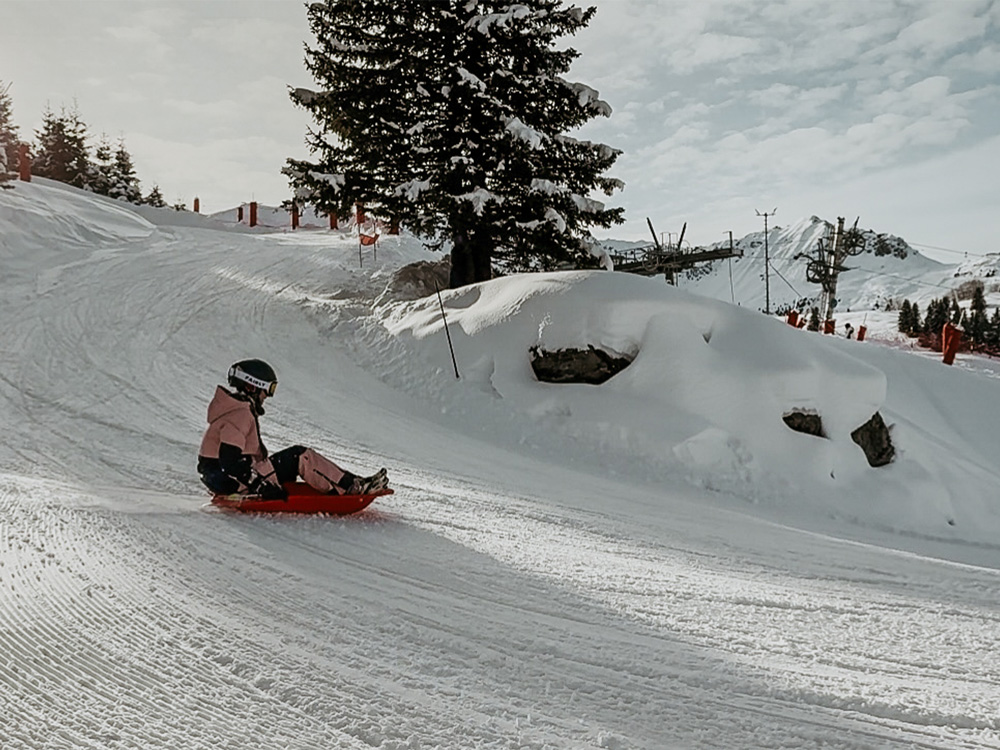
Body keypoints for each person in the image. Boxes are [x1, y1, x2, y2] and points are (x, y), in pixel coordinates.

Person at [197, 359, 388, 498]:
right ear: (252, 387)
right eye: (268, 390)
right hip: (231, 481)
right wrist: (260, 486)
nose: (267, 397)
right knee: (300, 456)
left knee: (292, 460)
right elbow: (230, 461)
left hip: (224, 480)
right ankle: (352, 487)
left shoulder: (233, 409)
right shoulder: (239, 414)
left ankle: (344, 484)